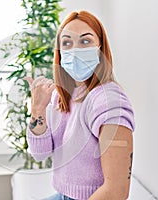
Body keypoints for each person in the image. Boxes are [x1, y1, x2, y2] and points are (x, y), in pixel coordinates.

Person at [24, 10, 135, 200]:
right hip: (62, 195)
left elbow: (116, 191)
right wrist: (37, 109)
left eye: (85, 41)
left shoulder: (109, 102)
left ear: (101, 48)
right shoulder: (62, 96)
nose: (75, 50)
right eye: (67, 43)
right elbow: (40, 154)